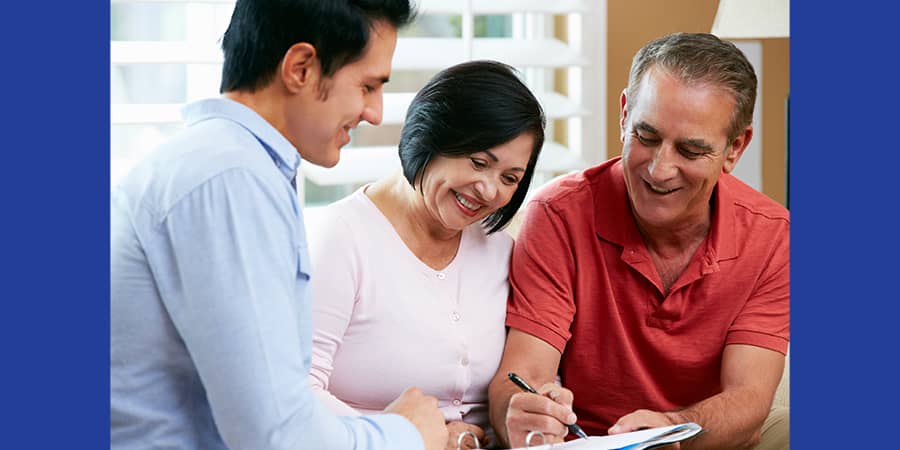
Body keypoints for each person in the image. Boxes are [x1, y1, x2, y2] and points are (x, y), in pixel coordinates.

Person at [110, 1, 449, 449]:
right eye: (367, 85)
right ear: (301, 68)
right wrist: (408, 435)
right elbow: (275, 437)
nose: (375, 113)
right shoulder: (231, 180)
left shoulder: (226, 165)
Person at [487, 32, 790, 450]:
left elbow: (749, 400)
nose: (660, 170)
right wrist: (518, 412)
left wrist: (672, 428)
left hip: (708, 441)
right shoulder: (558, 214)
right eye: (646, 137)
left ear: (735, 148)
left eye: (690, 150)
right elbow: (522, 373)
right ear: (625, 113)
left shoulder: (774, 235)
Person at [307, 60, 546, 450]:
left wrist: (541, 403)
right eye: (479, 162)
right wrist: (409, 438)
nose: (489, 191)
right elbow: (298, 392)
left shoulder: (500, 248)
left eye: (509, 178)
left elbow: (515, 383)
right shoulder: (342, 237)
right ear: (430, 136)